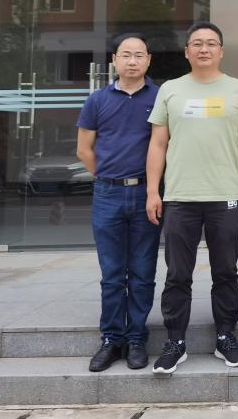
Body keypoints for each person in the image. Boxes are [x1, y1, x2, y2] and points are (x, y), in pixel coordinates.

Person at [145, 21, 238, 374]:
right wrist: (153, 191)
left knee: (225, 271)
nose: (204, 48)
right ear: (187, 51)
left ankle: (226, 336)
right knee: (178, 273)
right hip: (180, 196)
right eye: (197, 43)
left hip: (225, 195)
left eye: (211, 43)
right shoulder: (170, 90)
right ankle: (175, 342)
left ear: (221, 51)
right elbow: (158, 143)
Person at [76, 33, 160, 372]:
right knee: (112, 273)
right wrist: (108, 176)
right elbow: (84, 149)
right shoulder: (97, 100)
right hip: (108, 194)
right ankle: (111, 339)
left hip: (146, 193)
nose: (132, 61)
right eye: (126, 55)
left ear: (148, 59)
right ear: (114, 60)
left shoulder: (160, 97)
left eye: (139, 55)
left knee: (142, 272)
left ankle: (136, 338)